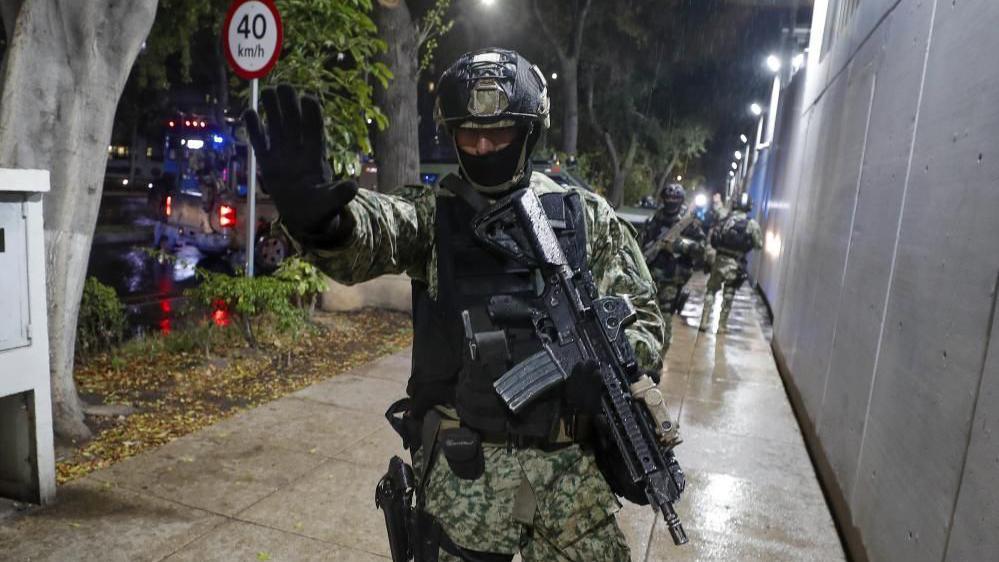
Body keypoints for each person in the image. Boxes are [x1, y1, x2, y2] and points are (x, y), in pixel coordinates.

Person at [244, 48, 668, 561]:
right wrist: (323, 222)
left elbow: (643, 317)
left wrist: (609, 366)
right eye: (468, 134)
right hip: (465, 481)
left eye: (500, 133)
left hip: (571, 478)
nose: (484, 145)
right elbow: (379, 228)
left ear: (530, 131)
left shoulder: (586, 218)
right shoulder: (434, 212)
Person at [641, 183, 707, 348]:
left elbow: (701, 249)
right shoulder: (655, 219)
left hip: (672, 279)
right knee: (646, 318)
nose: (671, 200)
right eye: (668, 197)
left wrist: (680, 245)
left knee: (665, 319)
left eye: (675, 198)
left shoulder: (687, 222)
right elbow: (643, 243)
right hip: (651, 277)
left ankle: (659, 359)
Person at [698, 191, 763, 333]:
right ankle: (721, 326)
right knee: (729, 294)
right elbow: (759, 245)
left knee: (711, 290)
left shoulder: (725, 217)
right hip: (735, 263)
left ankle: (704, 321)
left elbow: (715, 228)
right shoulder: (751, 224)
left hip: (719, 259)